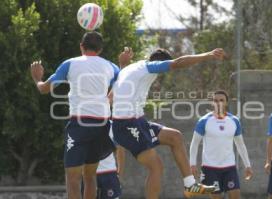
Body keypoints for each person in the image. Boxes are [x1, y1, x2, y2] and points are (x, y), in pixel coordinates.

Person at [111, 48, 226, 199]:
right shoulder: (149, 67)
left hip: (137, 122)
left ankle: (190, 185)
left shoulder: (131, 69)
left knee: (175, 137)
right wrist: (207, 55)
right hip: (126, 126)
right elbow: (178, 63)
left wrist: (122, 65)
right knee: (156, 167)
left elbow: (112, 95)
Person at [30, 31, 119, 199]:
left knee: (73, 178)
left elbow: (44, 89)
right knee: (90, 176)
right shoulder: (110, 66)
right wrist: (108, 99)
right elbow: (120, 87)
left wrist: (37, 78)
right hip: (102, 125)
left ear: (81, 46)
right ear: (100, 49)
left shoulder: (70, 64)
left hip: (80, 125)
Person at [189, 90, 253, 199]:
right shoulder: (204, 121)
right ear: (212, 103)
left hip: (229, 167)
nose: (218, 103)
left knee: (236, 196)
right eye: (215, 100)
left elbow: (240, 145)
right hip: (210, 168)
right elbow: (194, 143)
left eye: (221, 100)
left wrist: (247, 165)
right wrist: (192, 164)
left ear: (226, 103)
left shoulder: (234, 121)